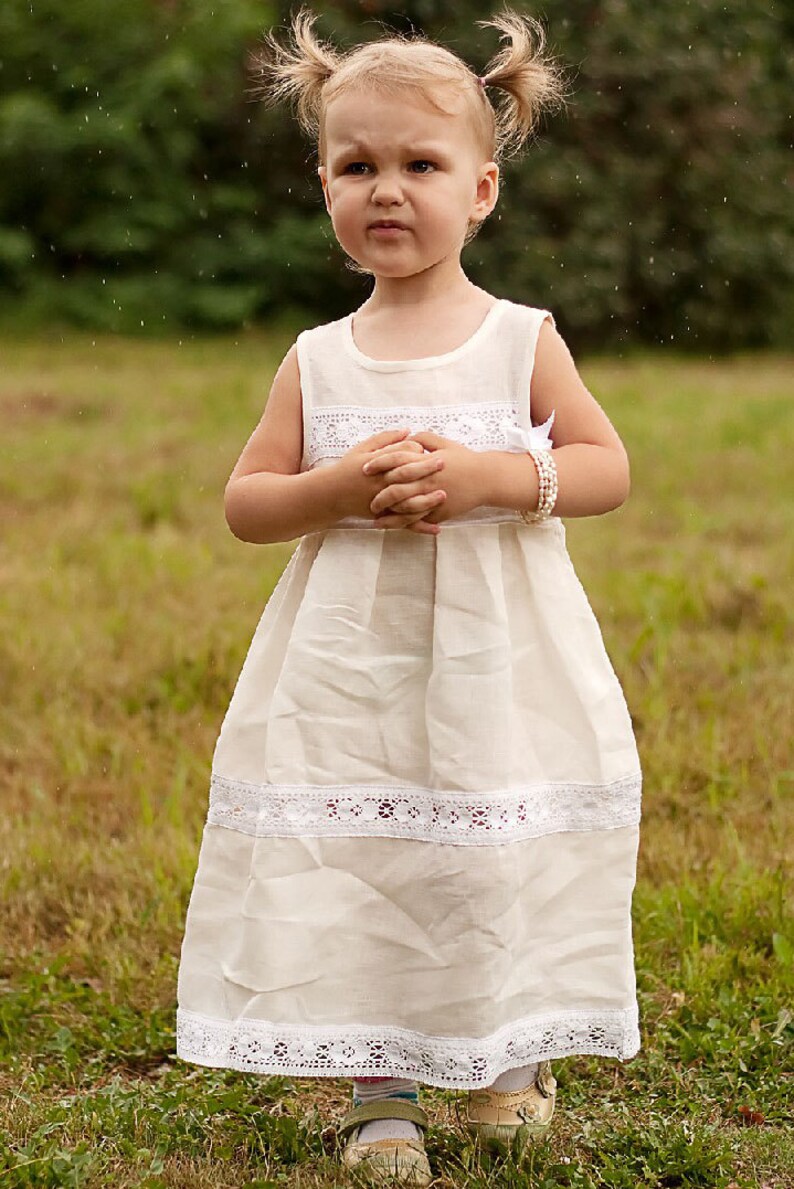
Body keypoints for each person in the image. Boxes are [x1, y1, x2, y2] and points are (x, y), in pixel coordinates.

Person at [176, 8, 642, 1184]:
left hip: (497, 660)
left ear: (480, 190)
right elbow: (246, 502)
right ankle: (379, 1088)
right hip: (353, 668)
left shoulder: (517, 340)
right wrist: (332, 486)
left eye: (419, 166)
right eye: (356, 166)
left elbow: (605, 468)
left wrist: (493, 474)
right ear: (322, 183)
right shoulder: (317, 357)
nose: (387, 191)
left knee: (485, 852)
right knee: (365, 858)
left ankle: (499, 1059)